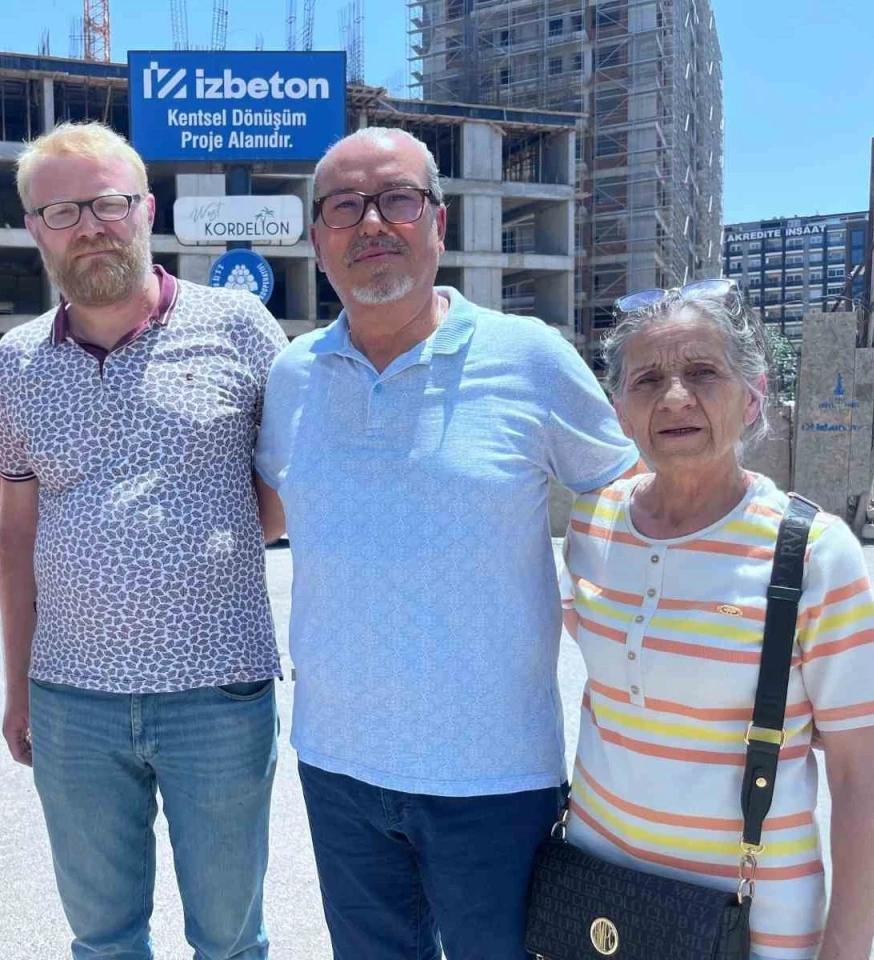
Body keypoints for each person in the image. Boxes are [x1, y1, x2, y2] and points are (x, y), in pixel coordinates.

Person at [254, 127, 639, 959]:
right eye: (345, 207)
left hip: (494, 777)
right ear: (317, 239)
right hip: (339, 765)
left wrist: (615, 616)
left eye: (396, 199)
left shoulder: (529, 357)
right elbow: (267, 515)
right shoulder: (293, 376)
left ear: (438, 221)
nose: (371, 224)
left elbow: (628, 497)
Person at [0, 121, 289, 960]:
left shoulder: (240, 327)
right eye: (61, 212)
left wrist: (192, 555)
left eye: (108, 204)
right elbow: (17, 536)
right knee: (103, 938)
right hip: (71, 701)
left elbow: (278, 502)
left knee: (229, 939)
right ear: (35, 229)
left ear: (147, 210)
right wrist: (19, 688)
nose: (89, 227)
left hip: (217, 694)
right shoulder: (16, 361)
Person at [562, 280, 874, 959]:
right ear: (621, 412)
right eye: (648, 379)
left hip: (754, 925)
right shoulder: (592, 526)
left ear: (753, 397)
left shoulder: (813, 554)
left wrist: (846, 950)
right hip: (598, 909)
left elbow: (864, 778)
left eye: (703, 372)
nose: (675, 397)